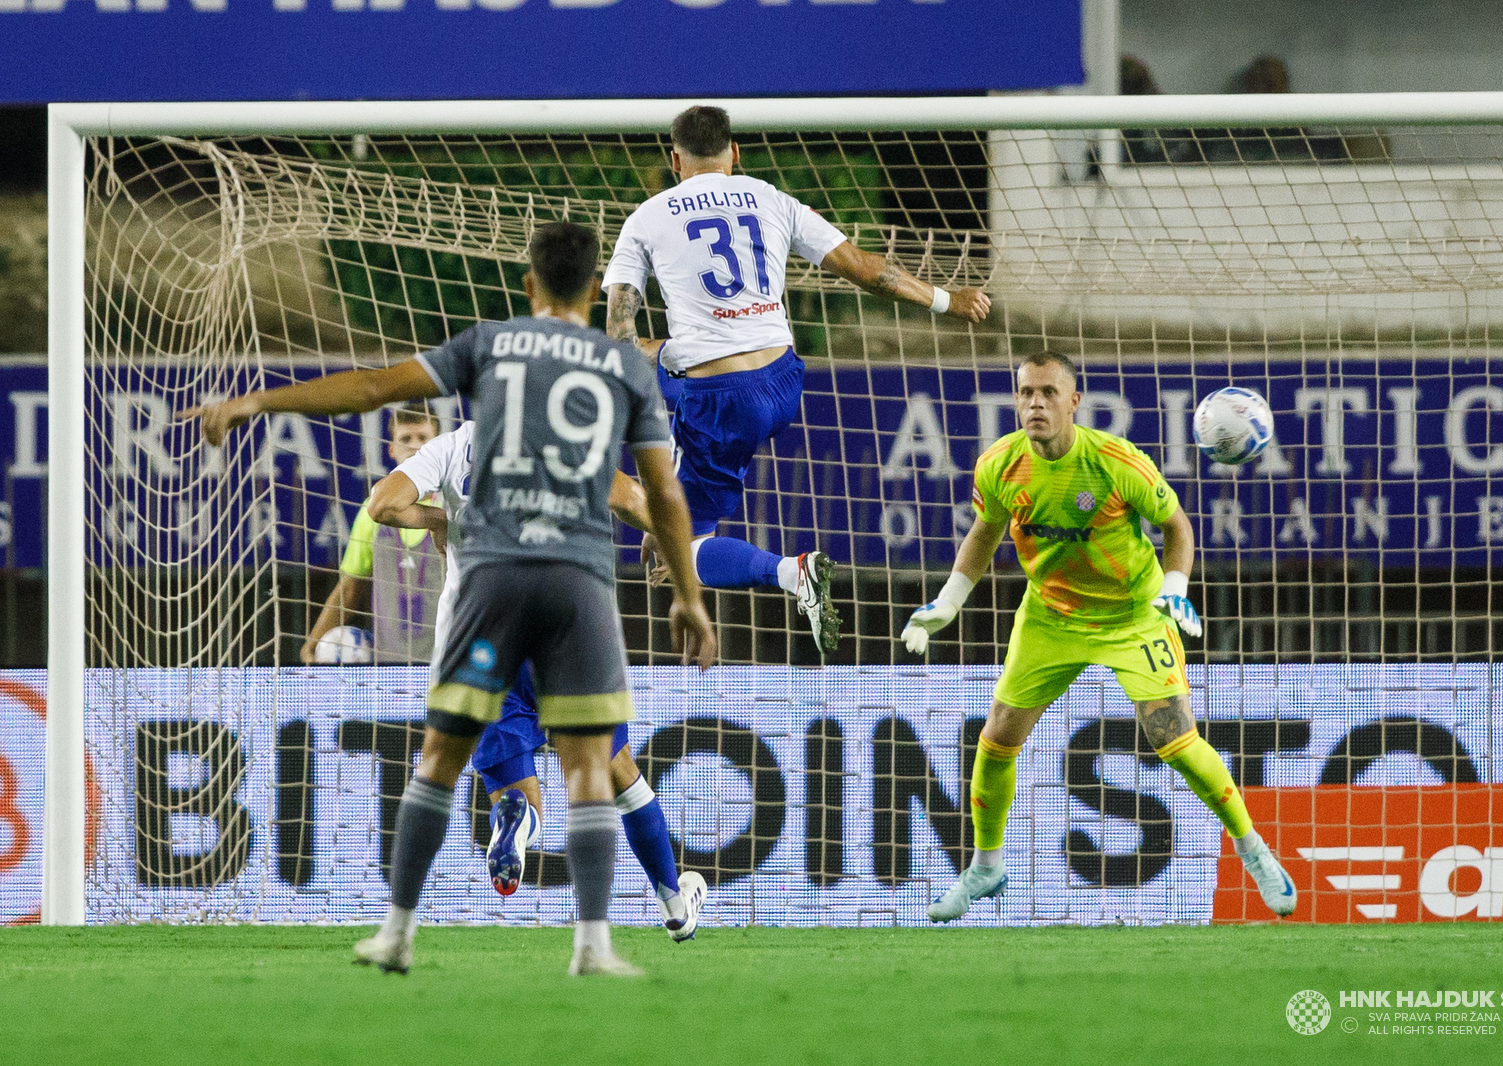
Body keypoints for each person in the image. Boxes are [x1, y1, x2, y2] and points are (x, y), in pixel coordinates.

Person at [181, 222, 716, 977]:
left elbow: (370, 389)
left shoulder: (488, 350)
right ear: (595, 293)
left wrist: (259, 401)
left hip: (488, 589)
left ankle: (397, 931)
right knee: (597, 767)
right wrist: (688, 591)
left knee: (439, 759)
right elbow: (652, 491)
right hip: (575, 587)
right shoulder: (621, 368)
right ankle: (593, 945)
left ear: (528, 287)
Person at [902, 352, 1296, 922]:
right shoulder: (998, 465)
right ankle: (986, 868)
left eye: (1048, 393)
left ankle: (1252, 850)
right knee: (996, 737)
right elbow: (984, 533)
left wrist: (1177, 586)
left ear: (1073, 401)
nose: (1035, 403)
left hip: (1133, 614)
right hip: (1051, 614)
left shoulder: (1116, 462)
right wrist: (948, 601)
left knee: (1175, 741)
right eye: (1026, 393)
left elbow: (1177, 527)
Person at [603, 105, 991, 657]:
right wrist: (950, 300)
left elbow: (619, 337)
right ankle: (676, 484)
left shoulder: (645, 219)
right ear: (735, 153)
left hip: (722, 398)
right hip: (784, 381)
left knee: (679, 545)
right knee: (673, 369)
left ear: (674, 160)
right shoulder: (771, 198)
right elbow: (864, 267)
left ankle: (792, 573)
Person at [367, 421, 708, 940]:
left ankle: (520, 823)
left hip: (476, 647)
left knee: (516, 794)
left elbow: (382, 504)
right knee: (618, 774)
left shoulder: (456, 445)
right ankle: (673, 905)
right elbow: (638, 498)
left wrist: (444, 521)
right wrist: (672, 550)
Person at [301, 404, 442, 664]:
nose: (415, 447)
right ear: (391, 449)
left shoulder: (455, 509)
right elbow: (349, 589)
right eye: (405, 439)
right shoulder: (372, 511)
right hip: (387, 668)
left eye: (423, 438)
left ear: (440, 448)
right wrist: (313, 642)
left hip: (447, 663)